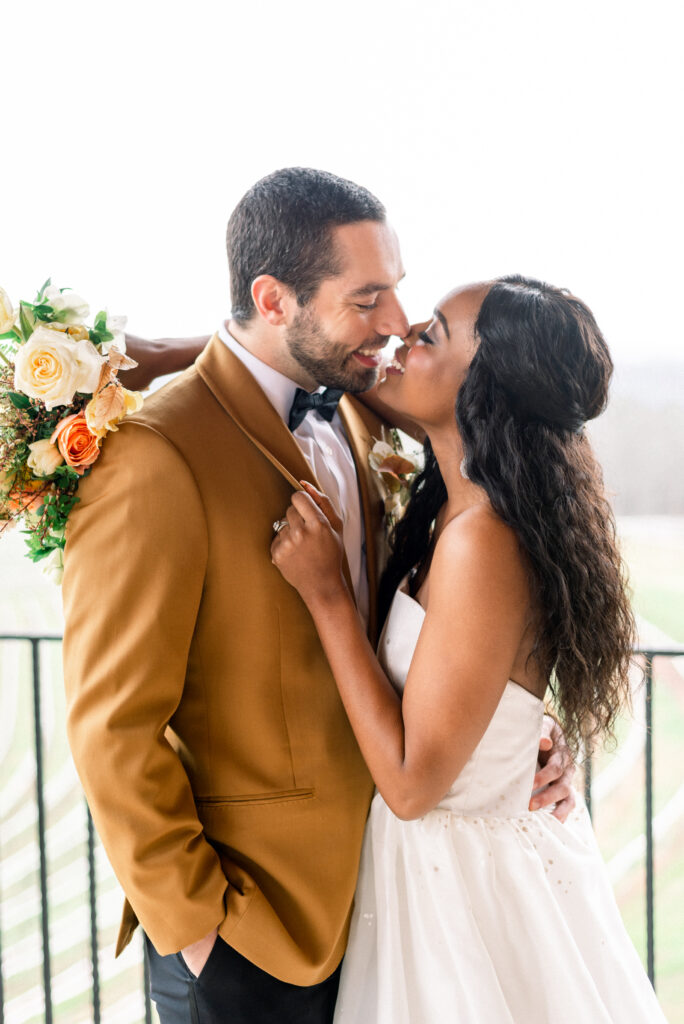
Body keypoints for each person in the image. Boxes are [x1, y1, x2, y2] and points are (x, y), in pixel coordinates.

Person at [62, 170, 574, 1024]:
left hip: (392, 912)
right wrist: (199, 933)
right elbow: (110, 727)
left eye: (399, 289)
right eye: (368, 297)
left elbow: (432, 621)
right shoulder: (155, 456)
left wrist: (510, 731)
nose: (397, 322)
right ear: (273, 298)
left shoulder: (369, 412)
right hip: (252, 936)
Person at [269, 276, 667, 1022]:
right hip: (443, 873)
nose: (401, 335)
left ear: (484, 389)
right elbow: (314, 364)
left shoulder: (482, 539)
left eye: (430, 337)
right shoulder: (461, 509)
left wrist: (325, 595)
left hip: (455, 897)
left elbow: (414, 787)